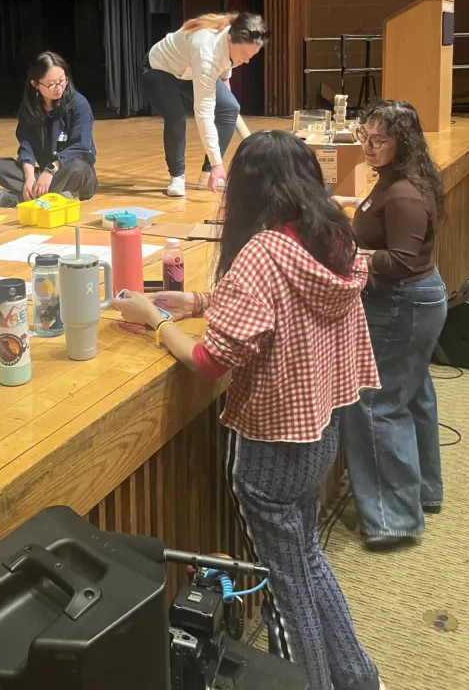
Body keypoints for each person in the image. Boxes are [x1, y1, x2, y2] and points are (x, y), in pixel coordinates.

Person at [114, 130, 381, 690]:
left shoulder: (261, 252)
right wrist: (199, 301)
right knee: (306, 559)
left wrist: (156, 321)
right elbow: (284, 303)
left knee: (283, 586)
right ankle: (358, 677)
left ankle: (307, 684)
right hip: (321, 431)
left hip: (270, 447)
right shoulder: (331, 237)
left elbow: (210, 361)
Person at [338, 101, 447, 549]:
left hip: (402, 302)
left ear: (403, 142)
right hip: (412, 300)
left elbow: (400, 261)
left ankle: (393, 519)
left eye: (379, 139)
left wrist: (352, 256)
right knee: (413, 393)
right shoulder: (397, 178)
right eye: (364, 136)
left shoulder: (403, 193)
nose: (368, 146)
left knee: (374, 403)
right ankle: (423, 492)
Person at [141, 12, 269, 197]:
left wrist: (226, 100)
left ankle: (207, 175)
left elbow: (226, 69)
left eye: (252, 56)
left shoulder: (231, 37)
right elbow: (204, 113)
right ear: (229, 39)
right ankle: (177, 176)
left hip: (190, 70)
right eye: (244, 54)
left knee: (230, 107)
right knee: (176, 117)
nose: (247, 60)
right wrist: (218, 163)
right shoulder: (207, 52)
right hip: (159, 70)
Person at [0, 51, 98, 208]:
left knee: (78, 169)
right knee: (0, 167)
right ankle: (53, 196)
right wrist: (29, 177)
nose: (58, 88)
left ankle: (20, 199)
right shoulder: (29, 108)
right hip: (46, 175)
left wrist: (51, 170)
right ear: (35, 84)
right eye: (51, 84)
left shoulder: (79, 104)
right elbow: (26, 146)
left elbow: (81, 147)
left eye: (62, 81)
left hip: (72, 173)